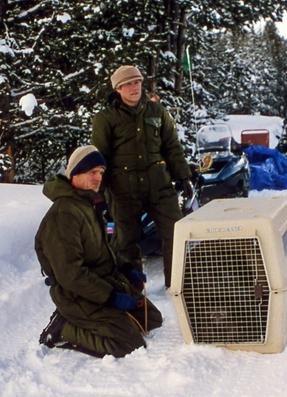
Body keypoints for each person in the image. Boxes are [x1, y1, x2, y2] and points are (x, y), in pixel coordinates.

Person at [35, 145, 163, 358]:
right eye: (92, 172)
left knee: (152, 319)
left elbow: (106, 249)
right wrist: (111, 297)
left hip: (103, 282)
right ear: (75, 173)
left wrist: (127, 269)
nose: (98, 178)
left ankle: (98, 318)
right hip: (76, 295)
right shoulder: (64, 214)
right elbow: (71, 275)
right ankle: (63, 329)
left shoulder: (89, 205)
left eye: (101, 173)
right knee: (129, 344)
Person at [91, 65, 192, 288]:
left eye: (136, 82)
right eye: (127, 84)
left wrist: (183, 176)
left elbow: (172, 146)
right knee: (126, 243)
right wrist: (99, 192)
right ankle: (133, 292)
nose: (134, 87)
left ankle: (177, 286)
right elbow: (100, 158)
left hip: (159, 185)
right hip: (123, 189)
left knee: (177, 233)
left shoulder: (157, 112)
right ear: (118, 89)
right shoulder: (105, 118)